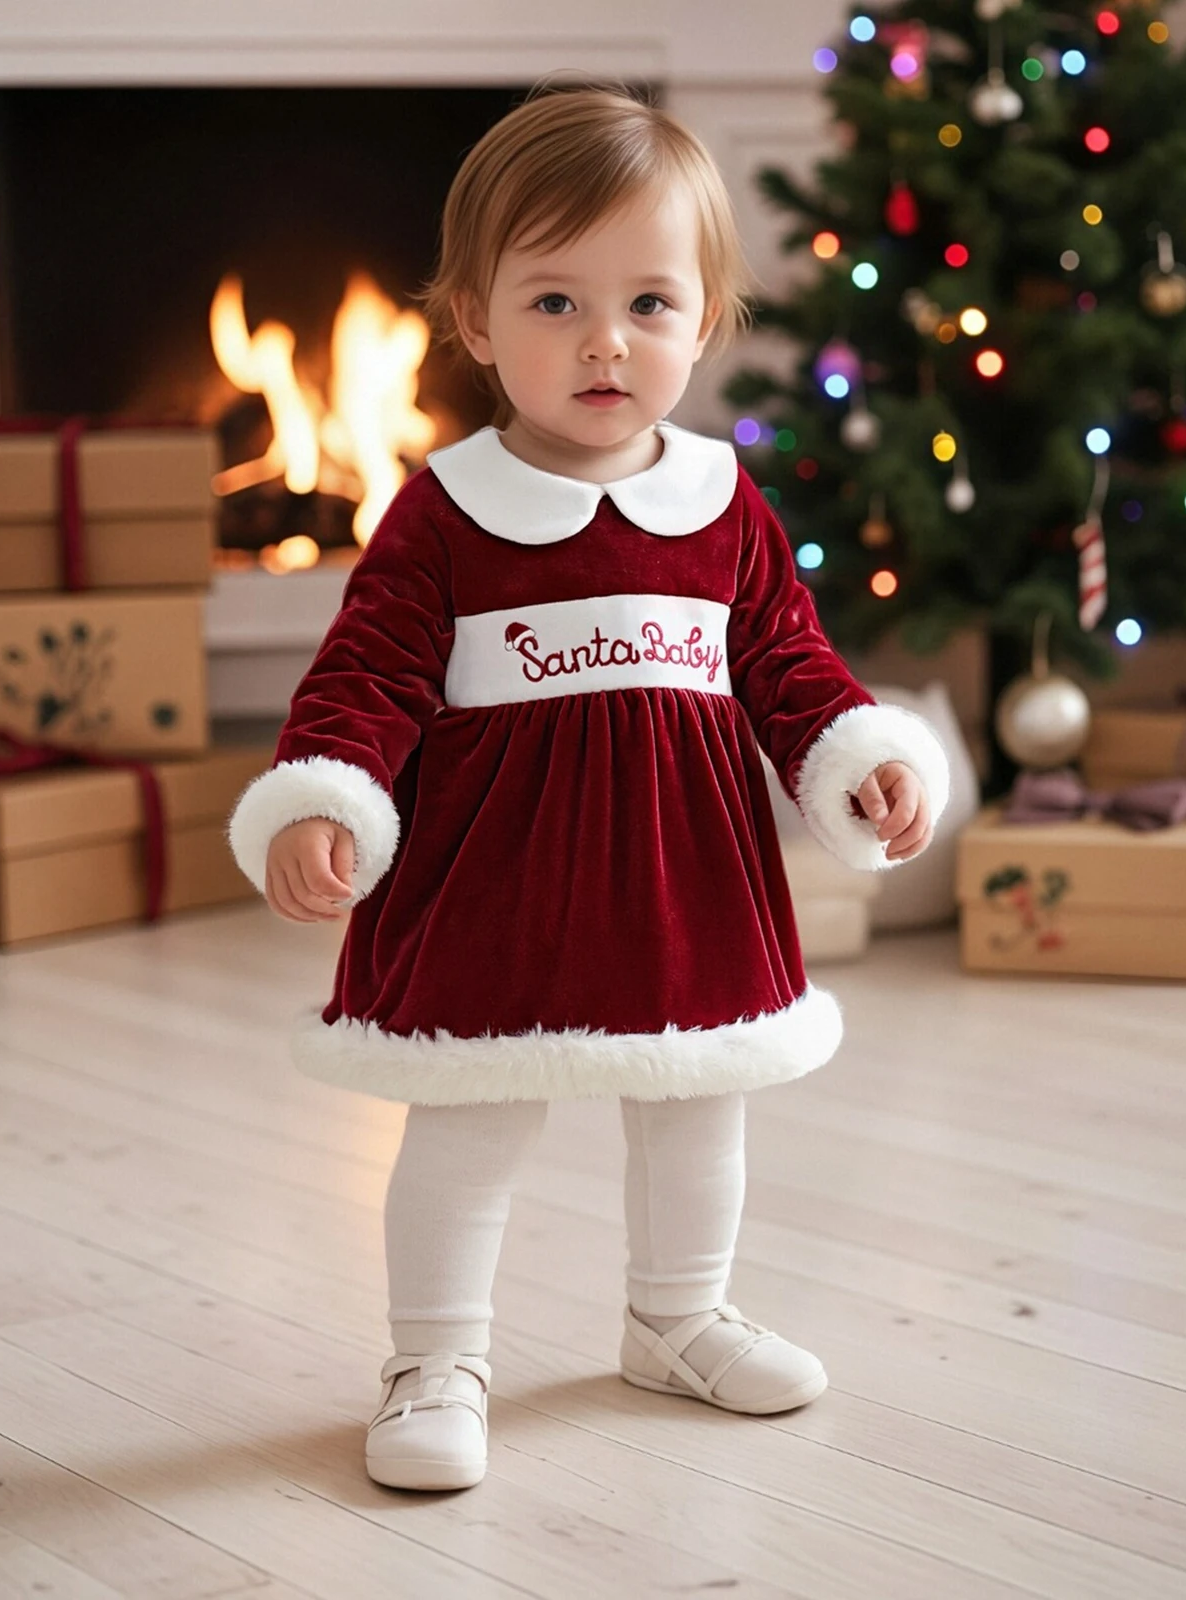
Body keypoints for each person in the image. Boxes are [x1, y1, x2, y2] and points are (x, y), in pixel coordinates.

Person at [228, 84, 949, 1493]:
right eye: (554, 302)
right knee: (470, 1119)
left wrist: (857, 762)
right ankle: (436, 1356)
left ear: (707, 320)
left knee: (697, 1109)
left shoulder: (725, 503)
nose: (606, 340)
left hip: (687, 881)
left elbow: (789, 666)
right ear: (477, 325)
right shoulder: (444, 509)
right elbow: (365, 674)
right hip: (493, 884)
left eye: (649, 303)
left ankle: (676, 1317)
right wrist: (326, 795)